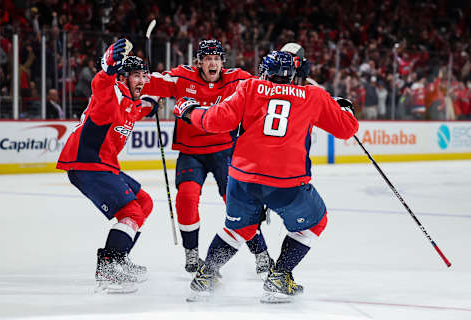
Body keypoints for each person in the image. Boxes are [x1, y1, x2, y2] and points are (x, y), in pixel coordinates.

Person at [174, 51, 359, 303]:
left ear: (265, 72)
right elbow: (347, 129)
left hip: (243, 179)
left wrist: (189, 111)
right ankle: (279, 277)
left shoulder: (249, 87)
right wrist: (344, 108)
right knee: (315, 222)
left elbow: (214, 121)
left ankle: (205, 277)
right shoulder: (313, 96)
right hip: (286, 182)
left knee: (238, 229)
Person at [141, 39, 272, 278]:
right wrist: (150, 95)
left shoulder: (237, 79)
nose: (212, 63)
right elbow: (150, 82)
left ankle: (262, 255)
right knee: (187, 198)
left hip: (225, 152)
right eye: (207, 59)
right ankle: (192, 255)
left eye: (216, 59)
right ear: (199, 62)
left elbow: (267, 86)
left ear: (223, 62)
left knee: (239, 205)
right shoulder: (183, 78)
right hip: (191, 153)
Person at [56, 39, 159, 293]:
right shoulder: (112, 93)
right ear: (122, 78)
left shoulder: (132, 102)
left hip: (105, 164)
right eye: (136, 76)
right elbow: (101, 86)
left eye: (144, 76)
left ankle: (119, 258)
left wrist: (151, 105)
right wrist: (108, 68)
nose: (142, 81)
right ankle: (108, 268)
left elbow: (136, 109)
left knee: (144, 203)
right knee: (132, 213)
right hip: (87, 163)